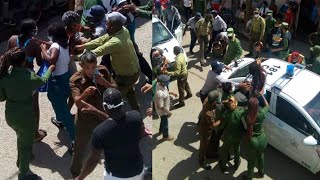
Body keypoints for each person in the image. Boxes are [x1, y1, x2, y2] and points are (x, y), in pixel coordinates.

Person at [0, 48, 55, 180]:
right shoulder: (29, 76)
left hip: (11, 117)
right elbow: (42, 81)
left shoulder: (5, 75)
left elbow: (1, 98)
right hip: (25, 117)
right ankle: (23, 173)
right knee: (26, 145)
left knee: (21, 137)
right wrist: (50, 69)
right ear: (24, 61)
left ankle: (20, 161)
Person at [74, 88, 144, 180]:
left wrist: (80, 178)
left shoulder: (99, 132)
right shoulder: (136, 116)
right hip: (138, 171)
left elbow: (93, 160)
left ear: (104, 106)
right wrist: (95, 111)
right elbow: (121, 123)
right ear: (122, 103)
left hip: (115, 176)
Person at [76, 15, 141, 112]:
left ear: (112, 28)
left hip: (126, 76)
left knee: (114, 98)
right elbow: (102, 40)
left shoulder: (115, 42)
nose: (105, 26)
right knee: (129, 92)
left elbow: (99, 50)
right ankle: (137, 113)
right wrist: (83, 46)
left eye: (107, 25)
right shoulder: (123, 30)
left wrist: (77, 58)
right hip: (133, 70)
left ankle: (118, 119)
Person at [69, 51, 117, 177]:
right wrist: (85, 93)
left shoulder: (103, 71)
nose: (91, 71)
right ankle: (75, 173)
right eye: (87, 68)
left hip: (103, 115)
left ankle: (113, 171)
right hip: (85, 121)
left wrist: (104, 83)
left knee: (110, 145)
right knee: (80, 148)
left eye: (93, 67)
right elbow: (78, 104)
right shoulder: (75, 80)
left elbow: (116, 90)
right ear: (81, 65)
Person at [7, 19, 47, 142]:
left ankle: (20, 129)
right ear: (31, 31)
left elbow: (8, 56)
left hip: (13, 76)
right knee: (34, 106)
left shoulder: (12, 39)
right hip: (28, 77)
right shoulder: (34, 43)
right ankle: (35, 134)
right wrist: (43, 49)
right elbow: (40, 62)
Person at [41, 22, 76, 146]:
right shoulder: (64, 43)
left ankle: (74, 140)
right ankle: (59, 119)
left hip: (57, 82)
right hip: (66, 78)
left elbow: (51, 60)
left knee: (64, 111)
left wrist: (43, 50)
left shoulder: (55, 46)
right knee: (56, 101)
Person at [242, 95, 269, 180]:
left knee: (251, 161)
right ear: (257, 106)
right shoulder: (261, 114)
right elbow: (267, 105)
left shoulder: (245, 114)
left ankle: (249, 177)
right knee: (260, 156)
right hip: (262, 139)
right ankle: (261, 173)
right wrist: (261, 95)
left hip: (252, 141)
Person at [218, 96, 244, 173]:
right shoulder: (240, 112)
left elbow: (222, 126)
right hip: (237, 136)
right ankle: (236, 164)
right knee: (236, 149)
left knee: (225, 150)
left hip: (228, 136)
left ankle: (223, 166)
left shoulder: (226, 114)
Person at [198, 90, 222, 170]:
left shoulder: (206, 100)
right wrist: (222, 120)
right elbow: (213, 125)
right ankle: (202, 160)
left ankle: (209, 154)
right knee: (204, 145)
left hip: (205, 125)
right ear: (214, 101)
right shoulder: (209, 113)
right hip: (205, 130)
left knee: (209, 142)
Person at [155, 75, 174, 141]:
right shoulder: (160, 93)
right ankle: (165, 136)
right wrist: (168, 112)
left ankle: (160, 130)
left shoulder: (160, 84)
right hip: (163, 111)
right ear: (162, 82)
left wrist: (171, 93)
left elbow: (165, 90)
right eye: (166, 81)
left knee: (162, 120)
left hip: (164, 109)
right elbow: (161, 106)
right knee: (165, 123)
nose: (168, 82)